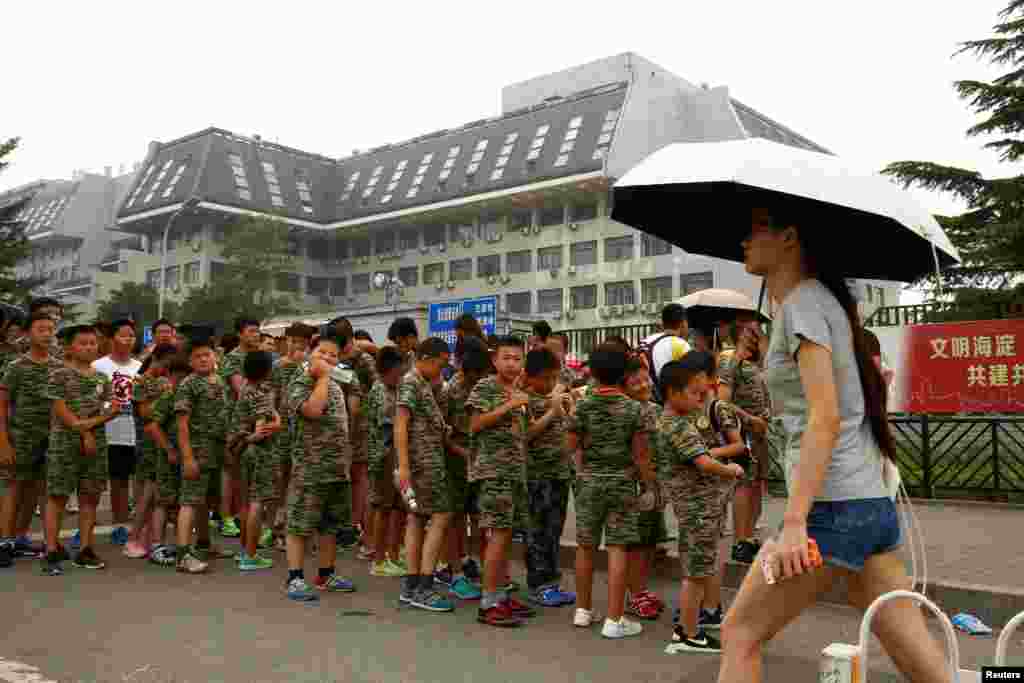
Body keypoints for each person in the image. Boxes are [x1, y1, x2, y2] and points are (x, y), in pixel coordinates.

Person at [717, 207, 947, 682]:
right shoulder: (818, 303)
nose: (744, 240)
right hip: (867, 506)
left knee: (739, 635)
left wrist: (796, 522)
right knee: (927, 669)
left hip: (832, 509)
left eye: (756, 227)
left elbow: (826, 415)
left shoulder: (804, 303)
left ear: (789, 238)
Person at [566, 343, 654, 639]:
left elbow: (569, 446)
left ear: (593, 372)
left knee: (585, 546)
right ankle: (615, 619)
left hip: (589, 482)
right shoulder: (634, 409)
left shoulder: (584, 404)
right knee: (617, 548)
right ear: (622, 375)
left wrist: (581, 469)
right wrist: (649, 485)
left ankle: (582, 609)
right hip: (621, 482)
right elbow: (641, 456)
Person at [656, 358, 743, 654]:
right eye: (694, 392)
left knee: (697, 568)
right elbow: (704, 462)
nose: (700, 398)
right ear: (672, 392)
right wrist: (731, 470)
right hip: (697, 507)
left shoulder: (667, 420)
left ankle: (689, 628)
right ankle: (688, 633)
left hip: (692, 506)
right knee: (695, 573)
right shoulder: (678, 425)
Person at [468, 336, 538, 627]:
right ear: (495, 361)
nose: (512, 363)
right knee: (497, 535)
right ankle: (488, 603)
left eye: (517, 358)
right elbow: (475, 424)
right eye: (506, 358)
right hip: (493, 473)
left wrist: (555, 412)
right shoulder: (486, 386)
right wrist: (509, 406)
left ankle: (500, 594)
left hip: (514, 473)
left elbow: (527, 433)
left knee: (507, 535)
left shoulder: (519, 392)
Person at [43, 325, 124, 574]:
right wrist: (87, 430)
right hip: (65, 444)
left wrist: (94, 425)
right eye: (83, 343)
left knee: (90, 497)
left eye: (93, 343)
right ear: (70, 347)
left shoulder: (101, 377)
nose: (89, 347)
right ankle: (51, 550)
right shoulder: (59, 374)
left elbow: (112, 408)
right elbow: (64, 414)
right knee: (58, 496)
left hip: (95, 447)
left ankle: (86, 549)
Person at [282, 332, 358, 601]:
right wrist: (324, 377)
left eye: (333, 355)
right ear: (309, 353)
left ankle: (326, 573)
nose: (327, 358)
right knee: (300, 524)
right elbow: (313, 411)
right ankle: (295, 577)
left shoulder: (336, 383)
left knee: (331, 524)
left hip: (336, 468)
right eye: (321, 353)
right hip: (310, 467)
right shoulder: (301, 381)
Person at [685, 351, 748, 634]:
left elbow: (739, 446)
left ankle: (712, 607)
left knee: (710, 550)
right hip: (693, 487)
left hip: (716, 486)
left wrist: (709, 453)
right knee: (697, 549)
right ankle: (700, 605)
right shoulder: (687, 406)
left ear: (710, 379)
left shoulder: (719, 408)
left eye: (697, 376)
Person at [395, 337, 456, 613]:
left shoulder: (422, 383)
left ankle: (411, 583)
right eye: (442, 363)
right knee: (441, 515)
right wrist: (405, 465)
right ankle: (424, 585)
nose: (443, 370)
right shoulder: (411, 381)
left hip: (424, 460)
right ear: (430, 358)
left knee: (417, 518)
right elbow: (401, 423)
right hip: (423, 463)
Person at [0, 313, 63, 567]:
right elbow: (2, 406)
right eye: (41, 329)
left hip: (50, 439)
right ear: (28, 334)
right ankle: (4, 541)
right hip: (20, 438)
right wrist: (3, 442)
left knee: (39, 489)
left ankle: (20, 537)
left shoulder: (57, 367)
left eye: (51, 329)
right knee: (14, 488)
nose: (47, 334)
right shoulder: (16, 367)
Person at [521, 347, 576, 608]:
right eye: (545, 379)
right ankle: (538, 584)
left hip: (559, 473)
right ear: (529, 377)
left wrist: (563, 406)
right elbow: (526, 435)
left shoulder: (557, 397)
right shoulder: (524, 401)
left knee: (553, 530)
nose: (550, 384)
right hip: (536, 476)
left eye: (553, 379)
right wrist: (553, 411)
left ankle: (552, 582)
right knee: (537, 531)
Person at [174, 331, 229, 574]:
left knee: (205, 501)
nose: (203, 360)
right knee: (189, 500)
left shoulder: (220, 380)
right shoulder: (189, 385)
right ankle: (183, 554)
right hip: (197, 450)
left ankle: (203, 544)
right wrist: (187, 457)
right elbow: (182, 424)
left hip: (216, 450)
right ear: (190, 361)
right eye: (198, 357)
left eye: (207, 355)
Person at [438, 337, 491, 588]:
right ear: (465, 372)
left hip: (481, 461)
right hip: (456, 463)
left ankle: (475, 561)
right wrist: (460, 452)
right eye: (475, 376)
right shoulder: (451, 392)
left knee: (479, 517)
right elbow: (442, 433)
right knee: (455, 517)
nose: (479, 381)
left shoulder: (487, 387)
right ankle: (456, 568)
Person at [718, 325, 772, 564]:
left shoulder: (756, 362)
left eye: (757, 332)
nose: (755, 336)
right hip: (742, 432)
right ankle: (740, 541)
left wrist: (765, 415)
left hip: (760, 432)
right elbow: (723, 401)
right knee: (744, 484)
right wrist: (749, 419)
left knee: (756, 482)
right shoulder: (730, 360)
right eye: (750, 333)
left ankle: (749, 536)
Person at [620, 358, 667, 621]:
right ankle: (634, 594)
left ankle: (641, 589)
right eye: (634, 381)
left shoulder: (656, 409)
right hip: (636, 487)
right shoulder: (627, 411)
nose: (643, 384)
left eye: (645, 378)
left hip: (655, 484)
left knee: (649, 539)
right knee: (636, 543)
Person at [229, 350, 282, 571]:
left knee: (246, 501)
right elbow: (262, 429)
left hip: (242, 450)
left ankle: (245, 550)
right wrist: (278, 420)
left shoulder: (245, 389)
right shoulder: (259, 394)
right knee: (257, 502)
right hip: (258, 452)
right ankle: (251, 555)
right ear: (267, 370)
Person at [93, 318, 143, 547]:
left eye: (132, 335)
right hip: (106, 431)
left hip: (134, 432)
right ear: (112, 338)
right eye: (123, 335)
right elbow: (93, 400)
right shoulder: (98, 366)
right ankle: (99, 526)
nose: (128, 339)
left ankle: (127, 525)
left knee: (129, 481)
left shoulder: (139, 367)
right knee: (103, 482)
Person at [124, 344, 177, 559]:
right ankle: (133, 538)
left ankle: (149, 538)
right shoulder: (140, 382)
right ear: (156, 358)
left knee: (157, 495)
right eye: (166, 363)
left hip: (161, 441)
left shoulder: (165, 381)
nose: (167, 368)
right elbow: (146, 413)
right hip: (148, 442)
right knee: (148, 494)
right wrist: (166, 401)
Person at [269, 323, 315, 551]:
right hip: (282, 432)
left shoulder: (312, 367)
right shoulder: (277, 366)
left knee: (303, 481)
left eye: (301, 343)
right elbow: (271, 397)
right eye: (292, 341)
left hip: (306, 432)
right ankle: (277, 528)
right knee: (281, 479)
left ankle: (300, 529)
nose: (296, 346)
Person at [143, 354, 192, 567]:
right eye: (178, 376)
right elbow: (152, 426)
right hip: (168, 458)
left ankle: (176, 545)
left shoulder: (185, 394)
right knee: (163, 501)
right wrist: (169, 449)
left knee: (179, 502)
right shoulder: (169, 396)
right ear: (170, 376)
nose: (181, 380)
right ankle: (156, 545)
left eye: (185, 376)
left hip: (183, 456)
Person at [218, 317, 262, 539]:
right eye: (252, 331)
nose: (256, 335)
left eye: (258, 331)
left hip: (254, 420)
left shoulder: (259, 356)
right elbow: (240, 388)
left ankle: (242, 516)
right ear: (240, 334)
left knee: (247, 471)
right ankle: (226, 517)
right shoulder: (233, 358)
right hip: (235, 421)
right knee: (231, 469)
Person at [365, 346, 408, 577]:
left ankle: (393, 554)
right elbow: (392, 431)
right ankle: (379, 559)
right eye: (399, 374)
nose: (402, 379)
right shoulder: (381, 393)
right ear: (387, 372)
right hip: (384, 458)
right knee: (383, 508)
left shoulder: (394, 390)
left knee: (399, 508)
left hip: (397, 459)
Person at [640, 303, 691, 400]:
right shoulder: (680, 345)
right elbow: (691, 380)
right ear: (683, 323)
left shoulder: (647, 340)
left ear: (663, 323)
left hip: (642, 397)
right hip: (664, 402)